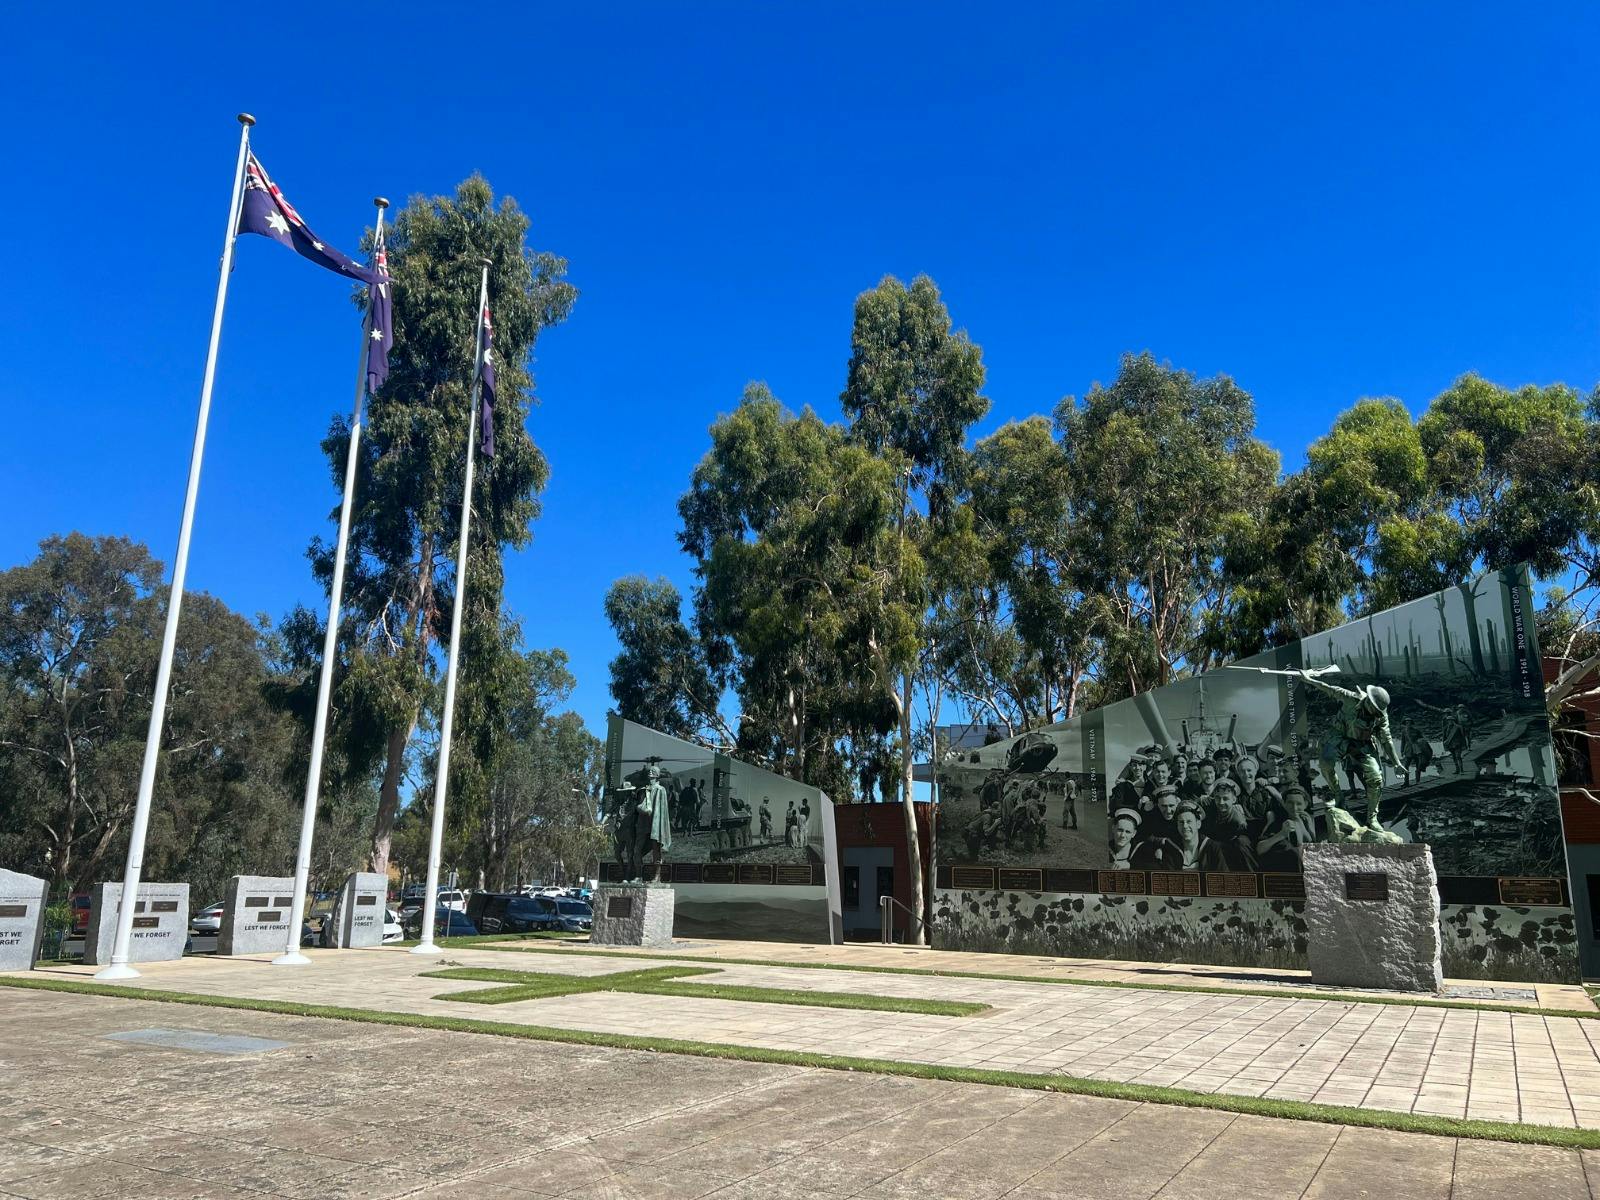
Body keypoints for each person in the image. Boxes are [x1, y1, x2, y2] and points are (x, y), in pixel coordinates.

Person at [1305, 673, 1403, 834]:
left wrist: (1397, 763)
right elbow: (1329, 689)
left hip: (1361, 744)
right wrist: (1309, 680)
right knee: (1325, 765)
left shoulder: (1381, 715)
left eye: (1379, 711)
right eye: (1375, 709)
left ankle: (1372, 818)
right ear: (1368, 702)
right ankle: (1338, 796)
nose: (1376, 713)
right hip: (1338, 737)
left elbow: (1387, 740)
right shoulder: (1351, 698)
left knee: (1377, 778)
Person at [1255, 782, 1319, 871]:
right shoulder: (1279, 822)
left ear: (1306, 804)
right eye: (1290, 803)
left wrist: (1311, 829)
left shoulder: (1312, 820)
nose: (1294, 808)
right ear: (1284, 803)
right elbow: (1259, 849)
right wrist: (1282, 834)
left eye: (1299, 804)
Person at [1172, 801, 1230, 871]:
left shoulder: (1212, 847)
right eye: (1181, 822)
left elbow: (1222, 876)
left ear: (1198, 824)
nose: (1185, 826)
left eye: (1189, 821)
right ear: (1177, 825)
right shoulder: (1172, 847)